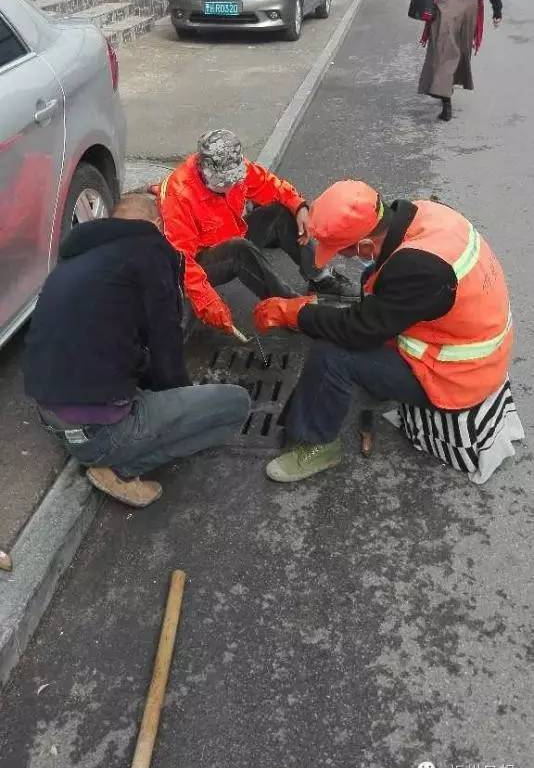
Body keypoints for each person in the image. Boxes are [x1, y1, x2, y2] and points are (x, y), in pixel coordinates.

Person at [253, 180, 523, 484]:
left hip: (458, 376)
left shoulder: (420, 269)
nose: (340, 258)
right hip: (471, 340)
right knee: (372, 277)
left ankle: (318, 444)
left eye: (343, 252)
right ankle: (372, 388)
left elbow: (358, 330)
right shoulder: (425, 213)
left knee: (330, 356)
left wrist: (297, 314)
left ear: (366, 245)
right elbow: (379, 299)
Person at [24, 193, 250, 508]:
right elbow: (165, 347)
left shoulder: (75, 259)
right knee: (236, 404)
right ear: (157, 224)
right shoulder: (151, 251)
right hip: (100, 434)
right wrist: (182, 399)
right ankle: (121, 469)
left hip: (50, 415)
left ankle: (112, 442)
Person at [151, 129, 355, 335]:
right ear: (205, 172)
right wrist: (207, 302)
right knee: (239, 249)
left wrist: (299, 206)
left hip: (233, 233)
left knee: (281, 211)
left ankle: (320, 277)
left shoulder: (232, 164)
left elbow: (271, 186)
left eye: (235, 180)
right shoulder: (179, 195)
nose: (231, 186)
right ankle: (291, 310)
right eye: (225, 182)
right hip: (200, 262)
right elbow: (181, 262)